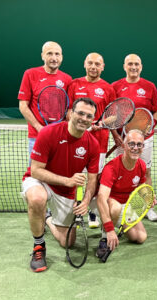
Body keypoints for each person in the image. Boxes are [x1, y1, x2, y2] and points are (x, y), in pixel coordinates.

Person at [22, 98, 100, 272]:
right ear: (71, 113)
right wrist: (67, 180)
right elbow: (35, 171)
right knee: (36, 199)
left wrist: (86, 201)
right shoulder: (49, 132)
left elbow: (92, 180)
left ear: (92, 120)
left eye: (89, 116)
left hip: (66, 191)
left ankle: (47, 218)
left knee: (68, 242)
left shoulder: (92, 144)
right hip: (41, 181)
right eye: (80, 113)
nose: (84, 118)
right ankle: (38, 246)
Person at [67, 52, 117, 228]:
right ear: (84, 64)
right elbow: (68, 111)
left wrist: (100, 123)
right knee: (75, 177)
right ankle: (74, 211)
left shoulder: (108, 88)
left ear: (103, 67)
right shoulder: (74, 84)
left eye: (97, 64)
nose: (93, 67)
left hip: (99, 143)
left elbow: (114, 115)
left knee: (94, 178)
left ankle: (92, 212)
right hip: (75, 141)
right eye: (90, 63)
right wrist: (76, 124)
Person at [112, 54, 157, 222]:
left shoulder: (150, 87)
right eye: (130, 64)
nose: (133, 67)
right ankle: (120, 204)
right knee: (120, 172)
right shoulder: (116, 86)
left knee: (145, 171)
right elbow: (112, 114)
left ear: (141, 67)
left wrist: (149, 127)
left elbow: (155, 111)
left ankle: (147, 207)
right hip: (122, 138)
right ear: (124, 66)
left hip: (145, 138)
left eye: (137, 64)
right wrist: (116, 135)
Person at [94, 129, 153, 258]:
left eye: (139, 145)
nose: (135, 148)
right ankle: (104, 239)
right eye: (131, 144)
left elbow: (141, 187)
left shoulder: (141, 165)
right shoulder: (112, 167)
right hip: (105, 204)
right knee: (115, 208)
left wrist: (147, 197)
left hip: (125, 205)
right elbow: (101, 198)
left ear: (143, 147)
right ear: (124, 146)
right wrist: (109, 229)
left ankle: (117, 228)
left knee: (140, 237)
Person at [18, 41, 72, 157]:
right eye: (49, 54)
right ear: (42, 55)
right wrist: (39, 127)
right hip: (37, 136)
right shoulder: (30, 74)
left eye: (57, 54)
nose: (54, 58)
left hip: (60, 137)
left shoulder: (67, 79)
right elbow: (23, 106)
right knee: (35, 173)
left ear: (62, 57)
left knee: (58, 172)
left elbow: (68, 109)